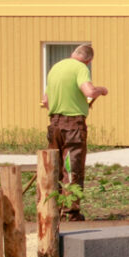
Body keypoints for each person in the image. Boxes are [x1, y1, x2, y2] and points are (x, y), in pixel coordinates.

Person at [45, 42, 109, 217]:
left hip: (54, 124)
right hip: (73, 125)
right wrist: (101, 90)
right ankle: (70, 212)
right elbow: (88, 91)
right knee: (72, 168)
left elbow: (45, 101)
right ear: (88, 60)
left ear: (73, 53)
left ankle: (52, 209)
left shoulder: (56, 68)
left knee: (54, 167)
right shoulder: (80, 68)